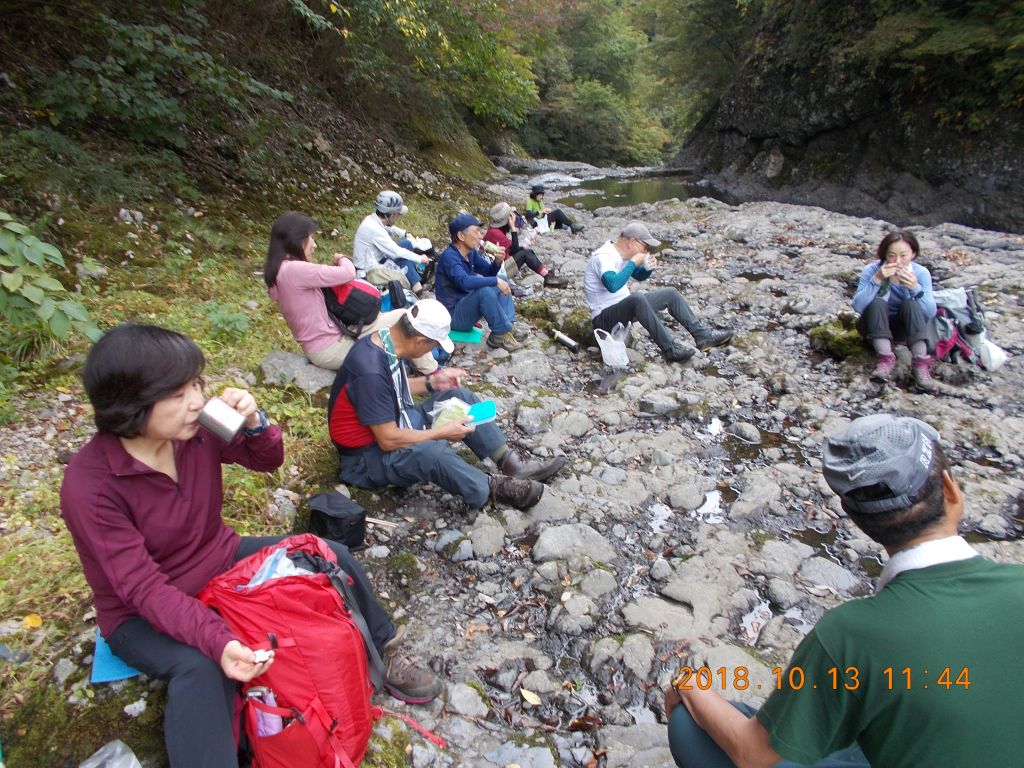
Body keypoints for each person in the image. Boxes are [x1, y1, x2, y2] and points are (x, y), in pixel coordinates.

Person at [60, 324, 441, 768]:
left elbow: (266, 461)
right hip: (139, 613)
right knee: (201, 666)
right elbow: (141, 588)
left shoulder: (197, 431)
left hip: (218, 556)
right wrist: (218, 640)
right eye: (178, 393)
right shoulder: (92, 486)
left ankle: (386, 650)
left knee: (325, 551)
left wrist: (257, 424)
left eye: (196, 385)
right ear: (129, 404)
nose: (197, 401)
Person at [664, 413, 1024, 768]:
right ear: (950, 490)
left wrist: (687, 685)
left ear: (852, 515)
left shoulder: (849, 635)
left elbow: (752, 756)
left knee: (693, 724)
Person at [328, 300, 567, 510]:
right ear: (420, 341)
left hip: (400, 419)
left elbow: (390, 389)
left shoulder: (386, 341)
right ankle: (492, 488)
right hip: (366, 459)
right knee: (430, 452)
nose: (432, 351)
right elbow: (388, 439)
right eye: (433, 346)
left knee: (458, 396)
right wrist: (442, 432)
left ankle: (511, 463)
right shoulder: (369, 368)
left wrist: (433, 382)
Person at [265, 211, 436, 373]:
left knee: (397, 317)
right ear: (297, 240)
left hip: (330, 341)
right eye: (311, 238)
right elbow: (348, 273)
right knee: (403, 320)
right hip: (331, 347)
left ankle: (425, 369)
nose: (314, 245)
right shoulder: (294, 270)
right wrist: (343, 258)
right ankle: (433, 373)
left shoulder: (279, 272)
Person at [584, 222, 732, 362]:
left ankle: (703, 337)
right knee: (637, 299)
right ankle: (670, 348)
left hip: (624, 309)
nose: (646, 252)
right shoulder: (604, 256)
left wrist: (647, 269)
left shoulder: (623, 255)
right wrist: (634, 262)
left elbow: (637, 275)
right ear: (631, 241)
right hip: (604, 320)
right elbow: (613, 284)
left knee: (670, 293)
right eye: (645, 247)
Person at [853, 231, 937, 390]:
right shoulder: (872, 270)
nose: (897, 261)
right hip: (873, 326)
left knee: (910, 305)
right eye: (891, 256)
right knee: (877, 303)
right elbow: (858, 306)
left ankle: (921, 365)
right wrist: (877, 280)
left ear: (913, 254)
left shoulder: (920, 273)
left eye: (903, 255)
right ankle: (885, 360)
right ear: (884, 254)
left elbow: (929, 312)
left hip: (903, 329)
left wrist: (915, 288)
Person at [435, 213, 528, 352]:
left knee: (502, 279)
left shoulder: (470, 253)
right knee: (485, 290)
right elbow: (464, 282)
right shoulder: (449, 257)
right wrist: (494, 281)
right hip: (453, 316)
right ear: (461, 236)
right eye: (476, 232)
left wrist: (497, 262)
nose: (480, 236)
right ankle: (499, 335)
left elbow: (489, 273)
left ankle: (508, 327)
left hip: (465, 305)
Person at [352, 190, 431, 293]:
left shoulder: (372, 220)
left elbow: (388, 228)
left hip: (376, 260)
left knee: (406, 243)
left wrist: (404, 233)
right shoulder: (374, 229)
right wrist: (420, 258)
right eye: (398, 214)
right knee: (403, 259)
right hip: (368, 272)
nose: (398, 217)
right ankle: (419, 291)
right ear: (392, 215)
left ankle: (415, 278)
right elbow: (396, 251)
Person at [484, 202, 568, 289]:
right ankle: (548, 278)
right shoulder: (495, 233)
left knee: (526, 251)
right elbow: (515, 249)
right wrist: (513, 228)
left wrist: (524, 245)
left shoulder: (495, 230)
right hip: (495, 272)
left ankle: (547, 274)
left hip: (497, 266)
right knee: (525, 254)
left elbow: (511, 249)